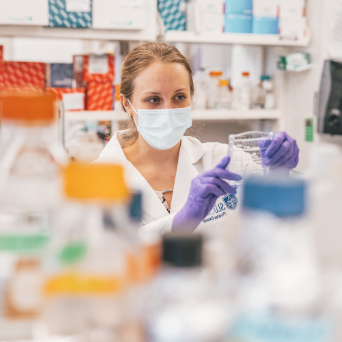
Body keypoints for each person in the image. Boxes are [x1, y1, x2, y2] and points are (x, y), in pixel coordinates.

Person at [96, 43, 299, 236]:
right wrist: (184, 219)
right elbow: (99, 252)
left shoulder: (226, 160)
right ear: (128, 104)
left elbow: (274, 228)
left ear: (191, 98)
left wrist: (278, 175)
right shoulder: (98, 176)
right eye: (153, 100)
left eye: (179, 97)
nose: (168, 110)